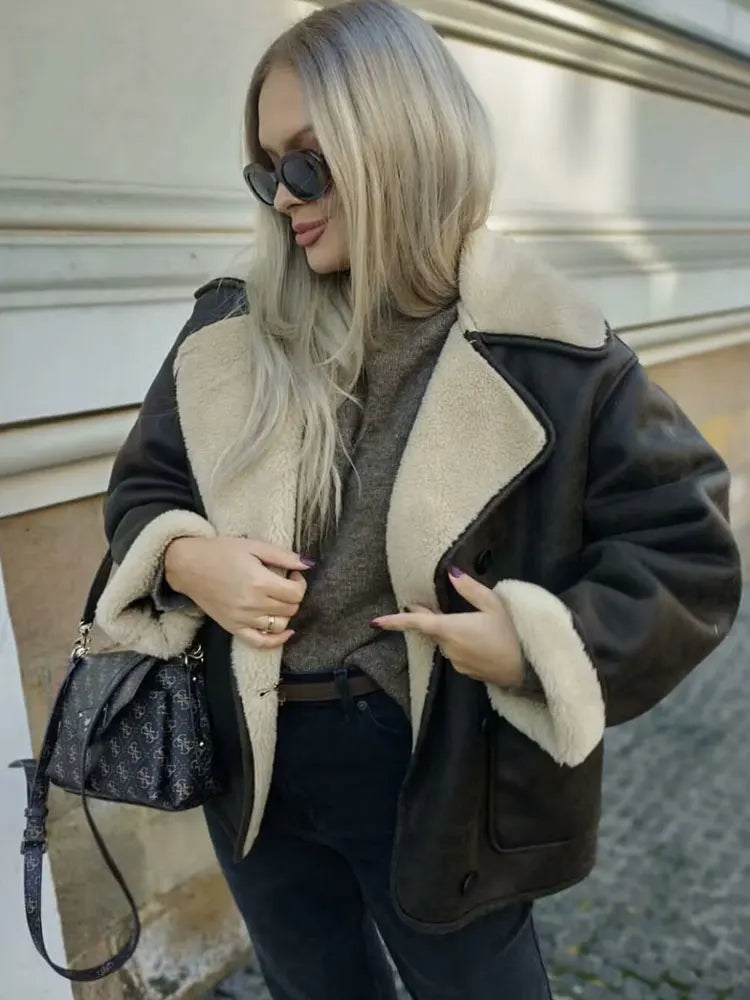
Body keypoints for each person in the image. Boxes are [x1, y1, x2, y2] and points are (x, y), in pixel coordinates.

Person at [95, 1, 742, 997]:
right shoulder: (230, 328)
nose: (283, 197)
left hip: (439, 765)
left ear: (400, 135)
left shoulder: (551, 346)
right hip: (252, 762)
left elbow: (687, 551)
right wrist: (189, 560)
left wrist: (536, 643)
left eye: (308, 161)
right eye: (266, 170)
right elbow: (146, 484)